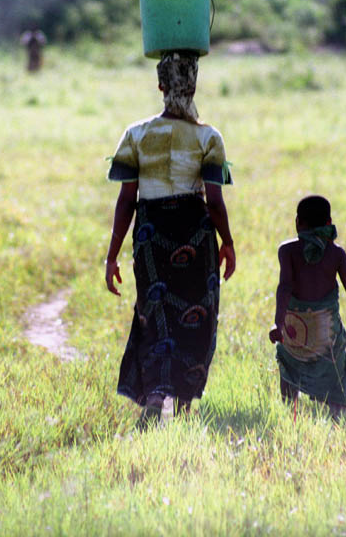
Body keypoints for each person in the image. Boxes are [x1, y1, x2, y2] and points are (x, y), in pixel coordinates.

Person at [105, 51, 236, 426]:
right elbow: (214, 203)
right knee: (197, 317)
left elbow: (126, 200)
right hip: (196, 239)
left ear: (160, 86)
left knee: (155, 315)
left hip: (151, 237)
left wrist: (111, 255)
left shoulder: (136, 135)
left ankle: (155, 394)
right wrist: (227, 242)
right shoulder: (208, 137)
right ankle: (182, 408)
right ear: (194, 85)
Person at [269, 195, 346, 421]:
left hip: (295, 329)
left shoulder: (287, 251)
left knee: (290, 363)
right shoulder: (336, 253)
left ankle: (290, 414)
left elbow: (285, 288)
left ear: (297, 222)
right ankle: (334, 415)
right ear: (329, 223)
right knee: (334, 364)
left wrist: (278, 323)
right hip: (325, 333)